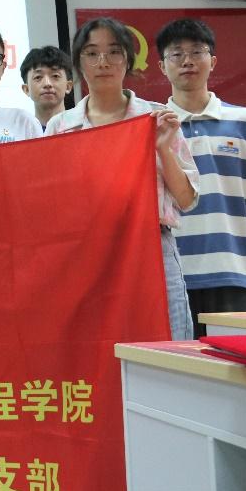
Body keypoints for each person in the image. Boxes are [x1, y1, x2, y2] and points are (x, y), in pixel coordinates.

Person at [46, 17, 199, 340]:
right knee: (94, 346)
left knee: (168, 344)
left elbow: (187, 200)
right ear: (78, 63)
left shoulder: (156, 118)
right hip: (86, 253)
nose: (103, 62)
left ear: (128, 59)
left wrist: (162, 148)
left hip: (151, 247)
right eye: (91, 53)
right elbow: (52, 205)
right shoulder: (61, 127)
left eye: (114, 52)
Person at [156, 18, 246, 337]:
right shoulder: (152, 128)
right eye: (176, 54)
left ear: (213, 61)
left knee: (238, 367)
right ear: (162, 66)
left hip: (238, 273)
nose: (187, 61)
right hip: (172, 276)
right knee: (180, 366)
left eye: (197, 51)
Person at [19, 45, 74, 131]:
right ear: (26, 89)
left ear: (68, 86)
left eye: (55, 76)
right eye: (38, 77)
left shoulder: (82, 129)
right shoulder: (20, 134)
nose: (47, 83)